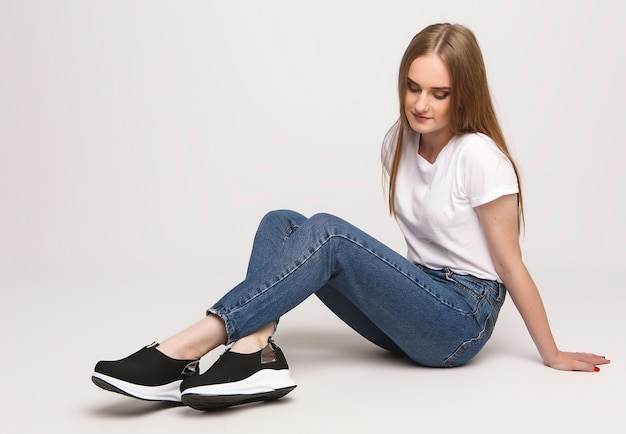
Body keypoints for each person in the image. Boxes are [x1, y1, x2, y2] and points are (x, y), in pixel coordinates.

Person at [91, 23, 610, 411]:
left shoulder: (479, 157)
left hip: (459, 321)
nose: (420, 104)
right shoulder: (400, 143)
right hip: (418, 302)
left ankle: (189, 344)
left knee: (329, 233)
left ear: (464, 93)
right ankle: (253, 353)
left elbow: (510, 265)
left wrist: (552, 352)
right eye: (413, 86)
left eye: (439, 93)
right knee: (282, 222)